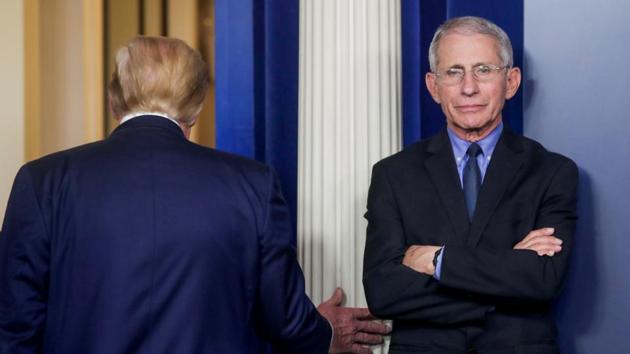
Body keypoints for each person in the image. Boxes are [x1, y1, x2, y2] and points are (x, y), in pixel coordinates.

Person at [0, 36, 388, 354]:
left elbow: (13, 327)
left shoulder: (42, 181)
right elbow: (284, 318)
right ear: (197, 107)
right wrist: (324, 333)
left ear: (113, 100)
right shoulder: (252, 183)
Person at [363, 16, 578, 354]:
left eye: (484, 70)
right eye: (454, 72)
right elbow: (383, 292)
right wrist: (506, 277)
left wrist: (437, 260)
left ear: (511, 81)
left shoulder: (552, 172)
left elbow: (543, 279)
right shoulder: (393, 174)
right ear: (434, 87)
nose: (468, 87)